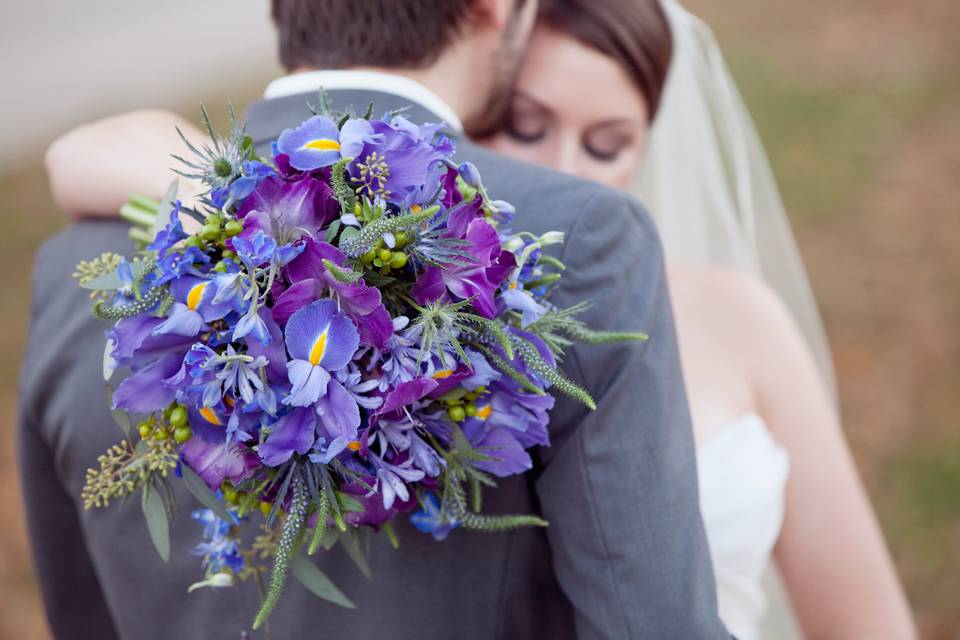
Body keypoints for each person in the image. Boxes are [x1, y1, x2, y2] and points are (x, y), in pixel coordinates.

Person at [40, 0, 918, 638]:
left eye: (608, 142)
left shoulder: (71, 274)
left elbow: (76, 605)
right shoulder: (573, 241)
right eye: (526, 125)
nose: (569, 169)